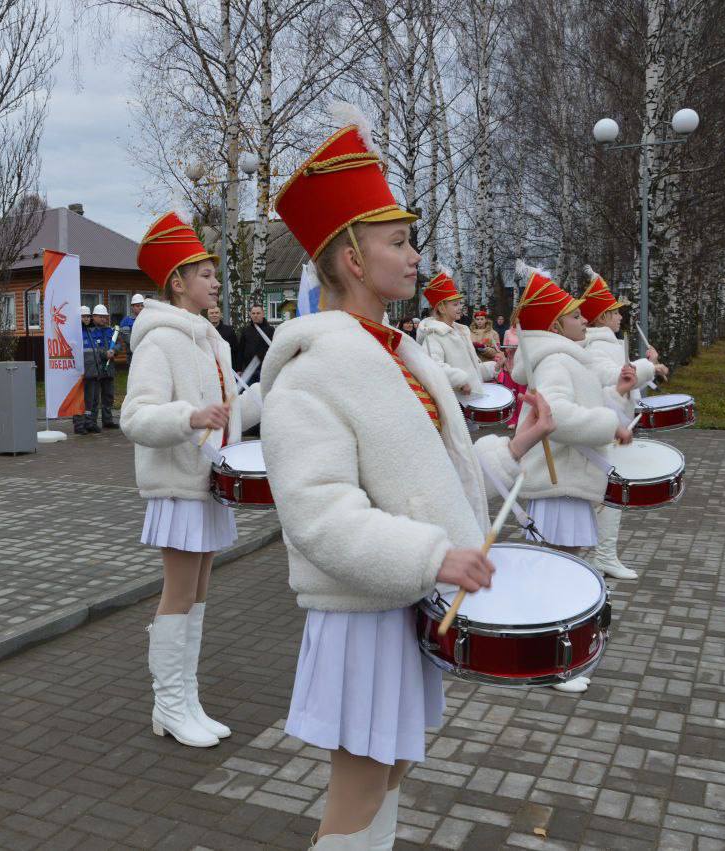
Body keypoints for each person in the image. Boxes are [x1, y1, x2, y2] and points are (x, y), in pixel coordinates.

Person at [266, 106, 557, 849]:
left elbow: (429, 477)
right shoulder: (311, 371)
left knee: (388, 777)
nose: (416, 257)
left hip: (401, 601)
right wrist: (434, 555)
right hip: (361, 610)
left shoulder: (400, 355)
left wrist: (514, 446)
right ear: (353, 259)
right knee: (357, 797)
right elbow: (318, 516)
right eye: (399, 242)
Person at [123, 210, 264, 751]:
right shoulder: (159, 341)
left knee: (198, 598)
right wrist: (189, 416)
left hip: (208, 484)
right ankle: (168, 703)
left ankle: (187, 698)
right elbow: (135, 418)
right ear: (177, 282)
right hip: (178, 489)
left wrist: (275, 382)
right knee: (178, 596)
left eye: (214, 273)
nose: (215, 281)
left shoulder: (214, 342)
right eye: (204, 273)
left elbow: (232, 413)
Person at [511, 262, 638, 693]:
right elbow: (559, 417)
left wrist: (615, 395)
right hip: (556, 480)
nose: (585, 319)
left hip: (566, 477)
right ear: (555, 324)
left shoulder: (564, 358)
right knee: (552, 571)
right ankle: (544, 661)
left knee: (559, 567)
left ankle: (547, 655)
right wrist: (607, 424)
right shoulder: (553, 362)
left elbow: (583, 402)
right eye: (576, 316)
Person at [579, 266, 665, 581]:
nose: (619, 317)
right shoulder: (601, 344)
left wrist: (647, 364)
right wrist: (650, 366)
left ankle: (603, 555)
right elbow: (613, 379)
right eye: (614, 312)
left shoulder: (610, 341)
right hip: (606, 427)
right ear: (601, 317)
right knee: (609, 496)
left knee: (605, 496)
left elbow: (628, 384)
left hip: (611, 425)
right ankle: (603, 557)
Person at [417, 268, 502, 396]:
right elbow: (433, 367)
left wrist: (493, 367)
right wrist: (460, 381)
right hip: (455, 403)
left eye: (460, 304)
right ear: (441, 308)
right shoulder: (433, 336)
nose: (460, 307)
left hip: (472, 400)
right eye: (455, 304)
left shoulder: (461, 332)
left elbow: (472, 370)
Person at [83, 304, 118, 431]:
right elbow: (94, 348)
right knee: (94, 397)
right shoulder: (90, 331)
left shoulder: (111, 331)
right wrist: (105, 353)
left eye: (105, 317)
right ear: (94, 317)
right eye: (101, 317)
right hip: (96, 367)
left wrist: (114, 350)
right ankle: (92, 422)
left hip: (109, 368)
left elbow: (117, 344)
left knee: (108, 395)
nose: (104, 319)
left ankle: (107, 420)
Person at [495, 329, 527, 428]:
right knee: (511, 395)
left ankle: (523, 419)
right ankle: (512, 420)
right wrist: (509, 350)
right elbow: (504, 349)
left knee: (522, 396)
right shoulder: (507, 332)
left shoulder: (527, 331)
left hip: (522, 367)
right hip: (509, 366)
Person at [236, 303, 274, 384]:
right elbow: (241, 350)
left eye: (258, 313)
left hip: (264, 369)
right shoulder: (245, 331)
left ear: (263, 314)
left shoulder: (271, 330)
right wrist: (239, 369)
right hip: (249, 369)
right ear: (250, 315)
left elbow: (274, 350)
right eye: (253, 313)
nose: (255, 315)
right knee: (249, 394)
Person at [73, 305, 94, 435]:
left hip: (91, 371)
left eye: (88, 316)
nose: (86, 319)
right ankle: (78, 424)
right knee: (78, 399)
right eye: (83, 317)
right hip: (79, 372)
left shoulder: (91, 331)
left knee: (89, 400)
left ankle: (87, 422)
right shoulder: (76, 332)